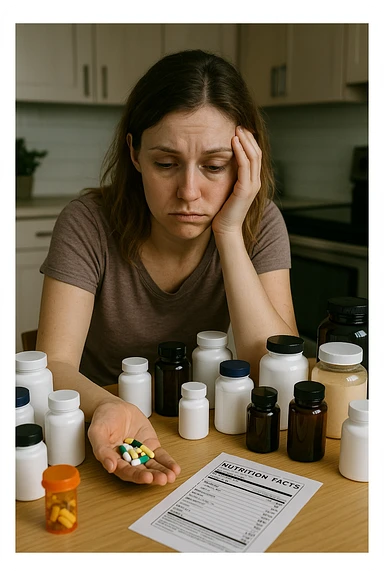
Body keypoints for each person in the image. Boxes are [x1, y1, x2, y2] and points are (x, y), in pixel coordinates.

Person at [36, 49, 299, 485]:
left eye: (215, 166)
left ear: (244, 163)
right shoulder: (87, 222)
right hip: (101, 421)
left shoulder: (259, 221)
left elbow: (271, 362)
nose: (189, 192)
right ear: (134, 153)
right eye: (165, 164)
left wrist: (229, 234)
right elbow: (54, 363)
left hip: (204, 429)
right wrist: (109, 405)